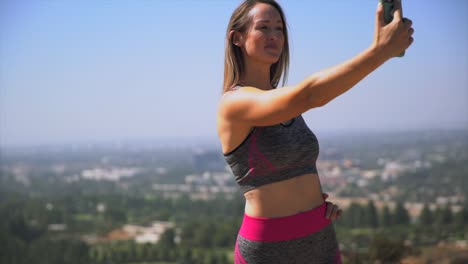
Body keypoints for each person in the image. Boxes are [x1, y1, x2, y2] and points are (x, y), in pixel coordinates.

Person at [216, 0, 414, 263]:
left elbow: (290, 169)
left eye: (279, 28)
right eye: (263, 28)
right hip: (268, 250)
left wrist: (311, 203)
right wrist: (379, 51)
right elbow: (309, 95)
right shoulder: (234, 104)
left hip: (320, 238)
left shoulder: (282, 101)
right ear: (237, 38)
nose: (274, 36)